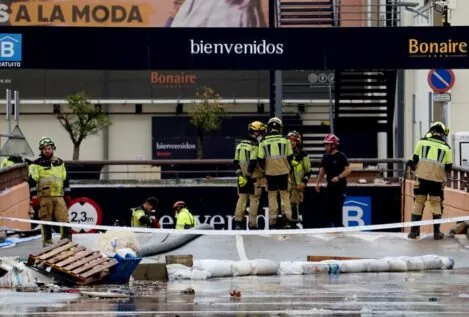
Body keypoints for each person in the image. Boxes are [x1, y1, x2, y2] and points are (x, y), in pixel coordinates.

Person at [407, 122, 453, 240]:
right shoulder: (446, 147)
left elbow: (413, 160)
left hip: (421, 179)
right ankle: (436, 233)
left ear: (431, 131)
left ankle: (414, 232)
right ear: (442, 134)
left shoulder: (421, 142)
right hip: (436, 182)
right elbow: (448, 167)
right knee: (436, 204)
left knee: (418, 203)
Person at [29, 137, 72, 247]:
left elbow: (65, 179)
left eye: (49, 148)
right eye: (45, 149)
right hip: (44, 197)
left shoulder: (60, 162)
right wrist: (34, 197)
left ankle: (66, 242)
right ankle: (47, 244)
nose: (47, 150)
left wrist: (68, 194)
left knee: (64, 219)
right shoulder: (36, 164)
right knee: (46, 221)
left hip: (59, 195)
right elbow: (32, 181)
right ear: (41, 150)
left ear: (52, 148)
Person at [253, 117, 294, 229]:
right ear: (279, 127)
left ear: (269, 127)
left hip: (270, 173)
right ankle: (287, 220)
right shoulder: (286, 139)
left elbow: (260, 159)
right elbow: (290, 157)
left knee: (272, 196)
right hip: (284, 172)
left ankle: (273, 220)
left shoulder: (263, 141)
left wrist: (263, 170)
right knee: (284, 195)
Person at [233, 121, 266, 230]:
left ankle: (238, 222)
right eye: (261, 133)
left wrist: (242, 175)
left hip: (242, 178)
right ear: (256, 133)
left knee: (241, 199)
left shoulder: (240, 145)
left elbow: (236, 162)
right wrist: (248, 175)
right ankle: (252, 224)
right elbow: (252, 162)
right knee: (254, 200)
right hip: (253, 178)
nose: (262, 135)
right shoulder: (255, 146)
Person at [315, 134, 351, 227]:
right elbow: (322, 171)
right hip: (329, 188)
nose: (325, 147)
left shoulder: (341, 156)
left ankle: (340, 229)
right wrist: (318, 183)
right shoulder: (325, 157)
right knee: (328, 210)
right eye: (325, 144)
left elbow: (348, 169)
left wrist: (339, 177)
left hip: (340, 188)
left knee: (337, 211)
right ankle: (332, 229)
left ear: (333, 145)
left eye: (327, 144)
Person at [287, 131, 312, 227]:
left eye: (294, 140)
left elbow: (308, 170)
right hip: (285, 181)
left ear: (298, 142)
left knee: (293, 202)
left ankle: (293, 222)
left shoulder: (303, 154)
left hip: (296, 182)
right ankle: (286, 222)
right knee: (284, 204)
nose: (292, 142)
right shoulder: (284, 154)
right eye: (290, 141)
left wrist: (304, 182)